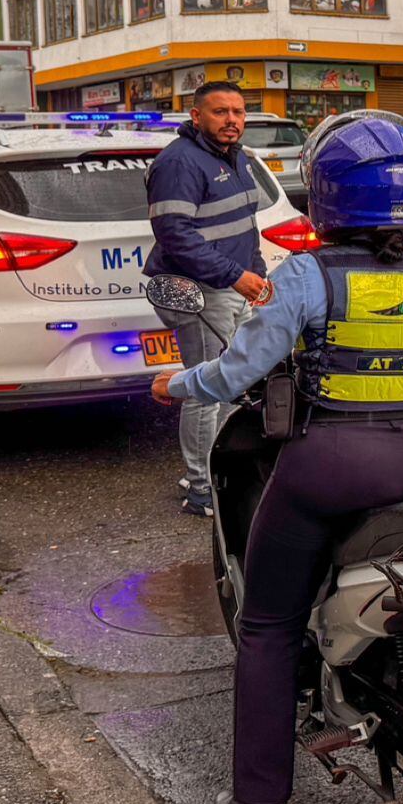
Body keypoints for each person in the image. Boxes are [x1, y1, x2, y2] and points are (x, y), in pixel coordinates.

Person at [150, 109, 403, 804]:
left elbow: (237, 371)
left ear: (326, 194)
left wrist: (172, 387)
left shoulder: (303, 274)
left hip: (329, 468)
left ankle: (260, 803)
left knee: (269, 624)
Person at [144, 81, 270, 518]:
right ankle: (201, 490)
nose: (232, 120)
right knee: (205, 389)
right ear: (196, 116)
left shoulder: (234, 157)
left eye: (238, 111)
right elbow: (176, 235)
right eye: (220, 112)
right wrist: (236, 276)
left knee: (230, 381)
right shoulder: (178, 163)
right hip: (200, 290)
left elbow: (244, 225)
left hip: (233, 287)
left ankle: (216, 470)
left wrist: (258, 274)